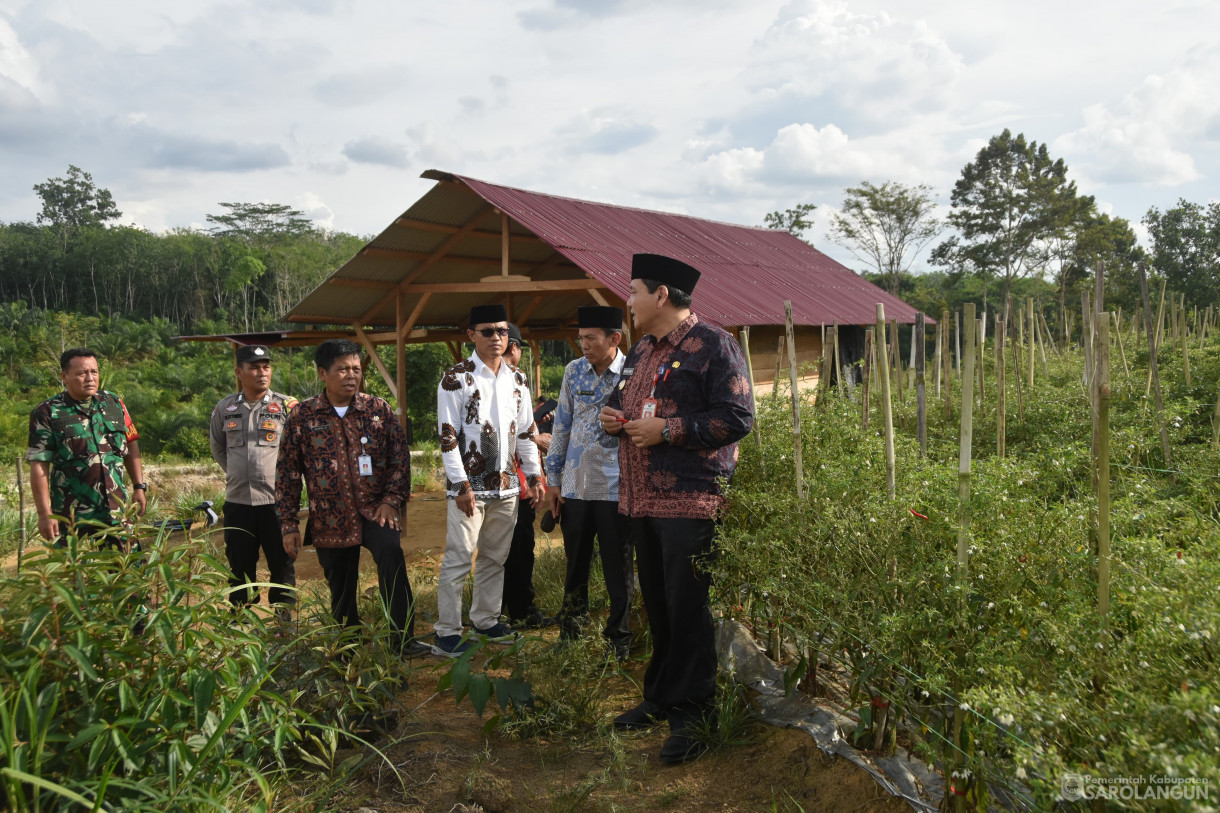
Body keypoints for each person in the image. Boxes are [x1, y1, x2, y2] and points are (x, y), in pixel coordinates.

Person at [599, 254, 754, 764]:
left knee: (688, 607)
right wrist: (614, 418)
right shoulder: (643, 349)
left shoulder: (714, 344)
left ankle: (693, 712)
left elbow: (736, 417)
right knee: (661, 604)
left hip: (691, 501)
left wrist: (668, 430)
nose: (627, 301)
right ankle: (661, 695)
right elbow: (626, 400)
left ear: (660, 295)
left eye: (633, 291)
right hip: (642, 499)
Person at [275, 339, 424, 656]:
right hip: (330, 517)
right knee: (341, 586)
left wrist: (391, 500)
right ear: (323, 373)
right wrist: (288, 524)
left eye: (356, 369)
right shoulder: (302, 417)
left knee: (391, 556)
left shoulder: (378, 410)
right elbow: (287, 473)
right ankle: (348, 646)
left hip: (377, 511)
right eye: (343, 369)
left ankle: (401, 639)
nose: (351, 375)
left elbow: (400, 458)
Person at [434, 305, 545, 656]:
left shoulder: (518, 380)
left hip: (508, 486)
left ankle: (486, 620)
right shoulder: (457, 377)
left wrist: (534, 475)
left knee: (495, 558)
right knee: (459, 557)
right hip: (470, 488)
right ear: (471, 336)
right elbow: (448, 435)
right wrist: (460, 485)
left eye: (501, 331)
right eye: (487, 331)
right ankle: (447, 632)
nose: (496, 337)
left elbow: (526, 433)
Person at [545, 305, 634, 660]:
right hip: (576, 487)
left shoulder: (632, 373)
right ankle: (571, 630)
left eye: (591, 338)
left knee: (618, 567)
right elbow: (561, 426)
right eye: (581, 338)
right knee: (575, 562)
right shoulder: (573, 371)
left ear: (615, 338)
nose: (583, 344)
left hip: (616, 489)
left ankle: (619, 639)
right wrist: (553, 480)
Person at [209, 345, 299, 618]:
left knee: (281, 562)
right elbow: (218, 448)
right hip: (238, 503)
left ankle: (283, 619)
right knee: (239, 564)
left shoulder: (287, 406)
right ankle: (241, 618)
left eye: (266, 367)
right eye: (254, 367)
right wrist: (240, 472)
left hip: (275, 503)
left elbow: (298, 450)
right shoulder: (226, 408)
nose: (262, 373)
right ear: (240, 372)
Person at [28, 348, 146, 548]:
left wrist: (139, 487)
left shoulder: (113, 403)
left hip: (118, 513)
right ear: (64, 376)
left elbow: (131, 446)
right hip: (74, 517)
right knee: (78, 576)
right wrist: (44, 514)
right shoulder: (48, 412)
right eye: (82, 373)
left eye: (94, 372)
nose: (90, 378)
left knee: (127, 571)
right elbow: (39, 465)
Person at [500, 324, 556, 630]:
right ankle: (519, 610)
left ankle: (503, 610)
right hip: (512, 483)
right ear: (515, 348)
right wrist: (535, 436)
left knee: (510, 548)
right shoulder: (503, 379)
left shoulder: (515, 381)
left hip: (516, 483)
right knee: (517, 548)